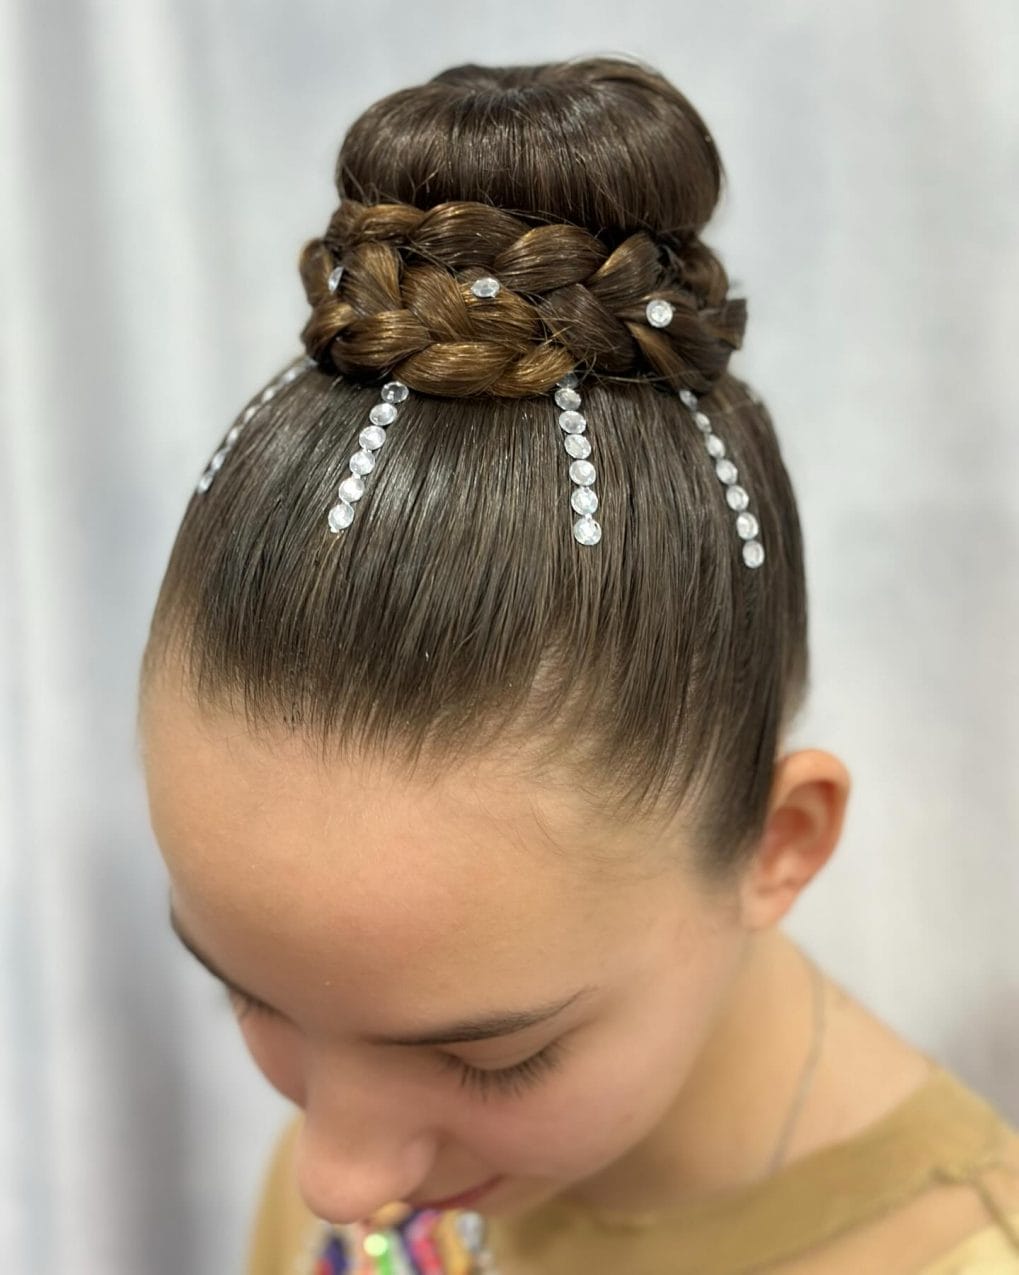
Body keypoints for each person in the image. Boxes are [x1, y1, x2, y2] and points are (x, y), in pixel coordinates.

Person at [136, 55, 1019, 1275]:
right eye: (252, 994)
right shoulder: (389, 1113)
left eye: (489, 1059)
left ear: (780, 843)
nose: (335, 1178)